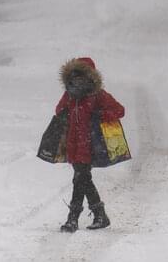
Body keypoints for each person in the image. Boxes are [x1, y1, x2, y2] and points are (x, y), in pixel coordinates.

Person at [54, 57, 125, 232]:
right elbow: (59, 111)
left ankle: (73, 219)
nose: (78, 80)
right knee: (83, 179)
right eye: (75, 76)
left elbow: (119, 110)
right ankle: (100, 214)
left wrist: (100, 115)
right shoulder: (70, 95)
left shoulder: (97, 95)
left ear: (89, 76)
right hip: (74, 145)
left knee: (80, 178)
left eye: (81, 75)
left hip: (90, 145)